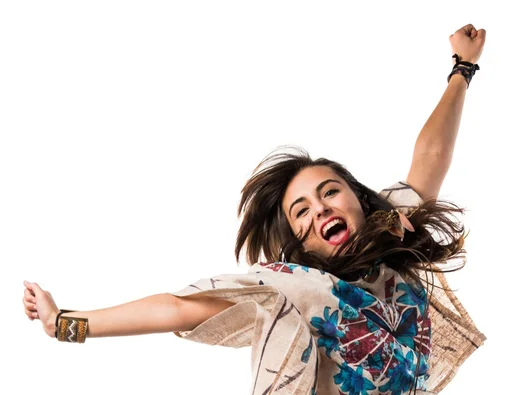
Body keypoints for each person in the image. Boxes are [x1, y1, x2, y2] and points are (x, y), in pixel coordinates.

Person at [22, 24, 487, 395]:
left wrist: (462, 67)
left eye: (329, 193)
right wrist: (62, 323)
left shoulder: (394, 234)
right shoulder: (291, 283)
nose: (319, 210)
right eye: (300, 211)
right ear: (300, 240)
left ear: (359, 200)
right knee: (283, 302)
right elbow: (178, 309)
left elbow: (429, 158)